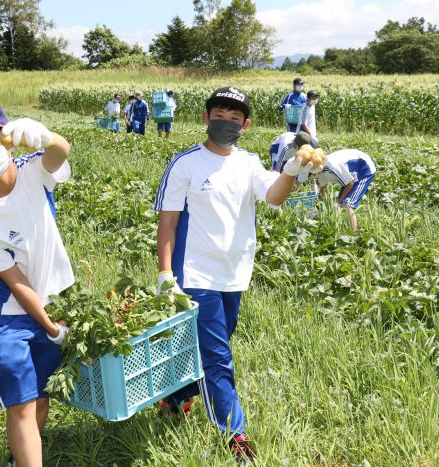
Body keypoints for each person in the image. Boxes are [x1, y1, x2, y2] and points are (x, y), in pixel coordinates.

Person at [154, 86, 320, 463]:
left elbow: (274, 196)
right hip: (195, 273)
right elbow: (168, 222)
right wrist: (165, 273)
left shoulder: (247, 163)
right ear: (205, 118)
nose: (225, 123)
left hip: (235, 273)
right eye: (219, 115)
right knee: (218, 357)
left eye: (234, 118)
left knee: (209, 345)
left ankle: (175, 399)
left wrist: (293, 169)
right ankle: (235, 433)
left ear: (245, 125)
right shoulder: (186, 164)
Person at [0, 100, 74, 467]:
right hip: (9, 313)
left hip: (52, 298)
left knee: (41, 393)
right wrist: (51, 327)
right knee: (20, 401)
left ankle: (21, 459)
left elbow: (61, 152)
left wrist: (47, 137)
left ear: (9, 142)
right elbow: (16, 282)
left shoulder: (33, 170)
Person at [316, 148, 376, 231]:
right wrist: (318, 204)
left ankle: (353, 233)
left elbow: (350, 183)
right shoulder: (321, 169)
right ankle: (335, 229)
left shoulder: (332, 166)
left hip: (364, 169)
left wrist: (340, 199)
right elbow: (323, 188)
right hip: (350, 175)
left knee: (348, 203)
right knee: (339, 204)